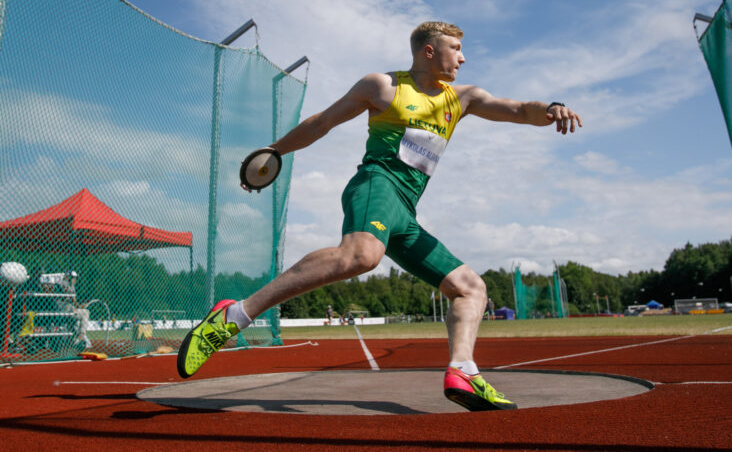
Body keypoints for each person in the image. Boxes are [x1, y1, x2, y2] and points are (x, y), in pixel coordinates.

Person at [177, 21, 582, 411]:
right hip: (376, 185)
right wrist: (274, 152)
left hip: (404, 212)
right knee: (362, 256)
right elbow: (323, 122)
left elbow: (516, 108)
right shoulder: (383, 86)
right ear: (429, 51)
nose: (463, 58)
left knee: (470, 288)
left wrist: (552, 108)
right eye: (456, 49)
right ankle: (235, 314)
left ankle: (463, 371)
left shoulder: (462, 98)